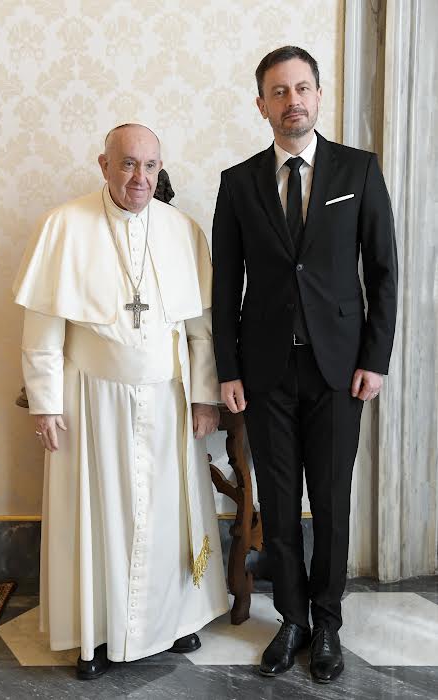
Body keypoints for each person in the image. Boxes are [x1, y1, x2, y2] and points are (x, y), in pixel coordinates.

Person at [13, 123, 229, 680]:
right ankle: (97, 634)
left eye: (150, 166)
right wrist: (45, 403)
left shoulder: (182, 231)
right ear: (104, 165)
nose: (140, 178)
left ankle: (174, 619)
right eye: (128, 163)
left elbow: (201, 330)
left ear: (160, 169)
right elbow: (43, 331)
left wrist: (205, 398)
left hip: (169, 403)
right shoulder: (64, 226)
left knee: (168, 517)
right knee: (100, 521)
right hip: (92, 405)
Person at [211, 46, 397, 683]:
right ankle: (290, 619)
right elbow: (224, 285)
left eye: (302, 88)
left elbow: (383, 271)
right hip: (265, 373)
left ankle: (327, 622)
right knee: (280, 500)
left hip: (339, 371)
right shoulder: (238, 183)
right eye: (279, 91)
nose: (292, 100)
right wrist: (228, 368)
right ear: (261, 105)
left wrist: (375, 358)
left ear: (318, 95)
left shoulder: (358, 169)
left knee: (332, 500)